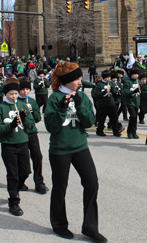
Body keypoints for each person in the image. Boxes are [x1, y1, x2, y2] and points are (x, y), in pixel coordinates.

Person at [44, 62, 107, 242]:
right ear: (68, 81)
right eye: (78, 79)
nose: (80, 81)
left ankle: (90, 227)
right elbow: (51, 127)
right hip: (60, 150)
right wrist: (62, 109)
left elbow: (89, 122)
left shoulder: (82, 97)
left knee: (92, 183)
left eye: (80, 78)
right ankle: (59, 224)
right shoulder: (55, 98)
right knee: (60, 187)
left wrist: (79, 106)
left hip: (80, 147)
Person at [0, 77, 35, 216]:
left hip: (23, 142)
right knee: (13, 173)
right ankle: (14, 201)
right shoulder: (1, 108)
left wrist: (24, 119)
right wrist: (10, 126)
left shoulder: (22, 106)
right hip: (8, 145)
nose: (14, 96)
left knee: (25, 171)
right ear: (6, 94)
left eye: (16, 94)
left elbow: (31, 125)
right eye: (11, 94)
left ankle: (17, 187)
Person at [18, 78, 49, 194]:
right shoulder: (16, 101)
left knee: (37, 156)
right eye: (22, 89)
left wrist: (33, 111)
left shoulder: (32, 101)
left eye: (27, 89)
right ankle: (20, 181)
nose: (25, 92)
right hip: (21, 133)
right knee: (23, 160)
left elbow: (37, 119)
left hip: (31, 132)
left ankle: (39, 182)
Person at [94, 70, 121, 137]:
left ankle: (116, 131)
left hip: (111, 103)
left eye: (109, 77)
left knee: (114, 118)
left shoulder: (111, 83)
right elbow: (96, 95)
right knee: (102, 118)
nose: (109, 79)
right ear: (103, 77)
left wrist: (113, 89)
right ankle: (100, 130)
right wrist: (104, 92)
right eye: (107, 78)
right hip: (103, 104)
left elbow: (115, 93)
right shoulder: (100, 84)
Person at [123, 68, 141, 139]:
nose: (136, 75)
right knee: (133, 116)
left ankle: (134, 132)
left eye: (137, 74)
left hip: (137, 101)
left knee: (135, 117)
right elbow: (125, 92)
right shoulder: (128, 82)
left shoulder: (138, 81)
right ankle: (129, 131)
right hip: (130, 102)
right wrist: (133, 91)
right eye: (134, 74)